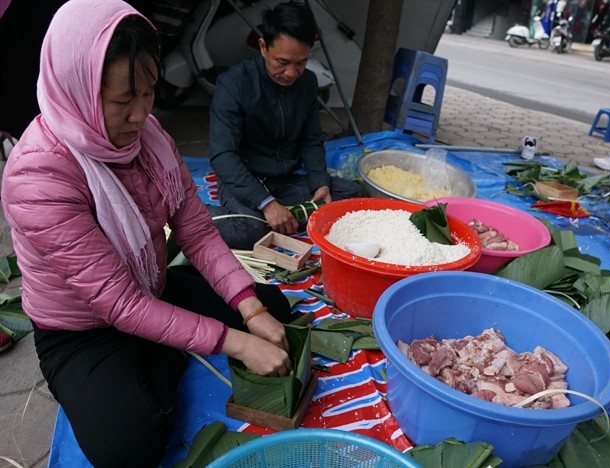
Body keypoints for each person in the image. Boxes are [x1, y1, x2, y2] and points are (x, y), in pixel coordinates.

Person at [1, 0, 293, 465]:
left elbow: (195, 230)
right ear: (77, 88)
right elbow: (117, 304)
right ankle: (166, 348)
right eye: (123, 100)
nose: (140, 115)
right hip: (80, 330)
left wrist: (249, 307)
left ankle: (168, 340)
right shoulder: (38, 176)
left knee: (275, 309)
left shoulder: (150, 137)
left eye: (149, 93)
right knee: (127, 448)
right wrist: (235, 341)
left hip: (149, 287)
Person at [208, 0, 362, 250]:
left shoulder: (308, 84)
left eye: (300, 62)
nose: (291, 73)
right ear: (263, 47)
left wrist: (320, 182)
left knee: (353, 197)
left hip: (286, 182)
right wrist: (266, 202)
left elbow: (311, 140)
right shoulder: (234, 84)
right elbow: (223, 155)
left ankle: (281, 215)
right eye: (282, 62)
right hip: (245, 181)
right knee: (251, 231)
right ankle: (197, 217)